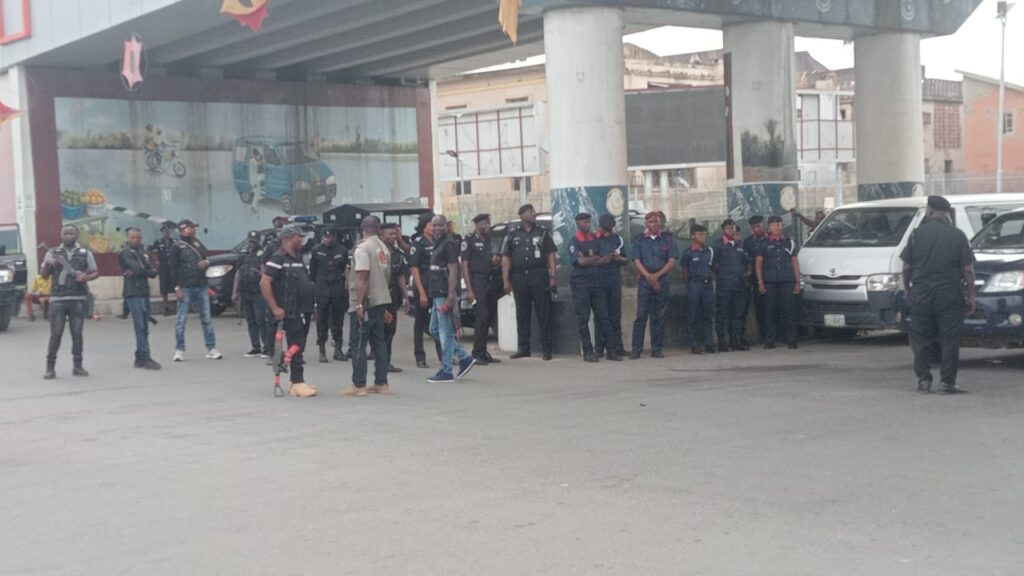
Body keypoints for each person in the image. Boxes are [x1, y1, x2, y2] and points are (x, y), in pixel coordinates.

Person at [900, 195, 975, 394]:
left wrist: (908, 289)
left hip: (921, 294)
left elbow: (906, 266)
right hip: (949, 294)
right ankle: (947, 382)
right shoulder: (958, 235)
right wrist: (971, 296)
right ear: (945, 213)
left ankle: (923, 380)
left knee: (922, 338)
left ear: (930, 211)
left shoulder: (916, 234)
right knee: (949, 339)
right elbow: (968, 269)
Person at [260, 225, 317, 397]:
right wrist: (275, 307)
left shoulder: (298, 257)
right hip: (285, 311)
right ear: (287, 238)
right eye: (298, 237)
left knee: (299, 344)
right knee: (291, 346)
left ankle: (296, 377)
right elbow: (264, 283)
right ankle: (297, 381)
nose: (301, 240)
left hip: (300, 310)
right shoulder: (278, 258)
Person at [41, 225, 99, 379]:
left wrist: (85, 277)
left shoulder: (85, 252)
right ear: (61, 235)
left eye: (71, 233)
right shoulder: (52, 252)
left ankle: (78, 366)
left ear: (77, 235)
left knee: (77, 334)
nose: (68, 236)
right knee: (56, 334)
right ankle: (50, 368)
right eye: (65, 233)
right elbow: (44, 276)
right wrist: (49, 263)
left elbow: (95, 271)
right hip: (58, 299)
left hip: (77, 299)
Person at [502, 204, 558, 360]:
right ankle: (524, 348)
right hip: (519, 277)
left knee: (543, 312)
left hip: (538, 275)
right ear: (522, 215)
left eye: (533, 212)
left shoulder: (542, 232)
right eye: (530, 212)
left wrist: (553, 276)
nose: (533, 214)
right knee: (522, 313)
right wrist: (506, 280)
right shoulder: (513, 235)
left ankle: (547, 349)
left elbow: (551, 254)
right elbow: (506, 258)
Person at [345, 216, 392, 397]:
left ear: (362, 228)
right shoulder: (383, 248)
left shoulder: (363, 248)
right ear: (378, 228)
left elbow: (362, 278)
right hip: (380, 300)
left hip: (367, 301)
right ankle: (381, 382)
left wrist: (358, 304)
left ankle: (359, 385)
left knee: (358, 342)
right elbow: (386, 277)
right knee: (379, 341)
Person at [427, 215, 476, 383]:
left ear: (447, 227)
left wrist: (450, 296)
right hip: (436, 293)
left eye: (440, 225)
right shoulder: (437, 243)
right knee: (434, 329)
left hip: (444, 293)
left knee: (445, 332)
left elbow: (454, 270)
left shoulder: (449, 244)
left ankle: (446, 370)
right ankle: (464, 357)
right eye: (434, 225)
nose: (437, 228)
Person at [630, 212, 680, 359]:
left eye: (656, 222)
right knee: (641, 316)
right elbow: (636, 261)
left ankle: (656, 348)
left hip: (662, 280)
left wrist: (656, 277)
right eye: (651, 222)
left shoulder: (667, 239)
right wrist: (649, 277)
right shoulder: (639, 240)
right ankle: (636, 349)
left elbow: (671, 261)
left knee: (659, 316)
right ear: (646, 224)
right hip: (645, 281)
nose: (654, 224)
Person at [170, 219, 222, 361]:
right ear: (183, 229)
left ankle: (211, 348)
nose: (193, 230)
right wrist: (177, 288)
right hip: (185, 286)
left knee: (206, 319)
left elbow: (206, 258)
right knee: (181, 320)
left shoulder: (197, 243)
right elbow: (173, 269)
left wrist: (206, 262)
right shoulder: (177, 247)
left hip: (201, 285)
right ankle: (179, 350)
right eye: (191, 227)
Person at [461, 213, 503, 365]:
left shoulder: (489, 240)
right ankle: (476, 353)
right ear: (477, 225)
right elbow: (465, 265)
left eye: (488, 222)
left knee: (489, 317)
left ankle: (483, 352)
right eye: (485, 223)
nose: (488, 225)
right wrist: (470, 289)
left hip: (491, 280)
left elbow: (491, 261)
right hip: (477, 281)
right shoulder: (469, 241)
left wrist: (496, 262)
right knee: (482, 316)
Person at [755, 215, 801, 350]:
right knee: (769, 311)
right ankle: (770, 340)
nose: (776, 228)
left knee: (789, 311)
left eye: (779, 225)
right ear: (769, 228)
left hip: (787, 280)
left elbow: (794, 262)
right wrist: (760, 282)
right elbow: (758, 263)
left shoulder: (789, 242)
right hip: (770, 281)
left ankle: (791, 339)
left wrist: (797, 281)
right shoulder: (763, 243)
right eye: (774, 225)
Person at [568, 212, 609, 363]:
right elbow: (580, 262)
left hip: (597, 283)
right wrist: (594, 259)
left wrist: (590, 259)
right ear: (577, 223)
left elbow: (605, 258)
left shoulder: (595, 239)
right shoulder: (574, 241)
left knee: (603, 316)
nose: (587, 225)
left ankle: (604, 349)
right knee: (583, 319)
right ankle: (588, 351)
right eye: (584, 222)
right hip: (581, 285)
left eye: (589, 222)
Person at [118, 227, 161, 370]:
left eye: (138, 238)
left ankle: (139, 358)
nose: (136, 240)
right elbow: (138, 270)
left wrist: (149, 272)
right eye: (133, 237)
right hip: (133, 292)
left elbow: (150, 270)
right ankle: (146, 357)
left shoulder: (141, 252)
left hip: (143, 291)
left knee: (144, 327)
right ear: (127, 238)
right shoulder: (125, 252)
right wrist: (149, 272)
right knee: (140, 326)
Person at [308, 228, 349, 363]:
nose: (328, 239)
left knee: (338, 321)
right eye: (326, 237)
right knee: (322, 321)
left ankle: (338, 349)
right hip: (322, 290)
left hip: (337, 290)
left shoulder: (342, 250)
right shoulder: (316, 250)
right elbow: (312, 272)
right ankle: (322, 350)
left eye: (330, 237)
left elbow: (344, 269)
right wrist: (317, 285)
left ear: (335, 237)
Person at [408, 213, 442, 368]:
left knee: (440, 322)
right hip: (423, 287)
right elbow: (414, 269)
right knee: (420, 323)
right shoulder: (418, 244)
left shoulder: (439, 241)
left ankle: (444, 355)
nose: (434, 227)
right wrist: (421, 292)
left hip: (438, 287)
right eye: (431, 224)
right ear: (424, 226)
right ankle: (420, 356)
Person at [711, 219, 751, 352]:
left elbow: (745, 261)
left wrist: (745, 273)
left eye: (732, 228)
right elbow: (712, 264)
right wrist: (722, 274)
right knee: (722, 314)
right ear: (723, 230)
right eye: (728, 228)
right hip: (724, 285)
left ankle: (736, 341)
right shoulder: (718, 245)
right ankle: (723, 342)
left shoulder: (739, 244)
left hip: (738, 285)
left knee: (737, 315)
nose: (731, 230)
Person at [233, 230, 271, 358]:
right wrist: (235, 292)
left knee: (261, 320)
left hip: (258, 292)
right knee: (251, 321)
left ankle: (266, 347)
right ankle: (256, 347)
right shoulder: (243, 256)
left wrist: (260, 274)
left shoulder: (263, 254)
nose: (252, 244)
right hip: (245, 291)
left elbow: (265, 273)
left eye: (254, 241)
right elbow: (238, 274)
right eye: (250, 241)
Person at [594, 214, 626, 361]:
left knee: (615, 315)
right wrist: (604, 259)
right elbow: (591, 260)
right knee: (600, 316)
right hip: (599, 279)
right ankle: (599, 348)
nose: (607, 232)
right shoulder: (593, 239)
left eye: (609, 229)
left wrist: (618, 258)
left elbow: (626, 259)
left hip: (614, 279)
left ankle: (618, 347)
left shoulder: (617, 239)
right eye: (605, 229)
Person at [681, 224, 716, 354]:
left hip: (707, 284)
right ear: (693, 236)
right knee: (692, 314)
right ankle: (694, 343)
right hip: (694, 284)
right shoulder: (688, 252)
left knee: (708, 314)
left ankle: (709, 343)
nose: (702, 237)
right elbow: (684, 271)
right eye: (699, 234)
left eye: (704, 234)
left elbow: (713, 267)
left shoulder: (709, 251)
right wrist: (689, 284)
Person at [381, 222, 410, 373]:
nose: (392, 237)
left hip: (393, 296)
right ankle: (379, 361)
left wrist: (406, 297)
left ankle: (386, 361)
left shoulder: (397, 254)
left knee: (390, 329)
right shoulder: (377, 252)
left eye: (394, 234)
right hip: (379, 295)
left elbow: (400, 276)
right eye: (389, 234)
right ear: (381, 235)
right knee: (378, 330)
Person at [743, 215, 767, 343]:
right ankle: (764, 335)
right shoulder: (748, 242)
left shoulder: (770, 239)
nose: (756, 229)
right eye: (754, 227)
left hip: (770, 276)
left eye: (758, 226)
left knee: (773, 306)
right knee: (760, 307)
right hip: (755, 278)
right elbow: (748, 260)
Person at [148, 221, 177, 316]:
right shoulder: (158, 242)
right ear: (162, 233)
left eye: (168, 231)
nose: (166, 233)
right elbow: (149, 250)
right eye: (164, 231)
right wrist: (156, 259)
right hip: (163, 268)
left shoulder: (175, 242)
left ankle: (179, 306)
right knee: (164, 288)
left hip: (173, 267)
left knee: (176, 286)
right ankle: (166, 308)